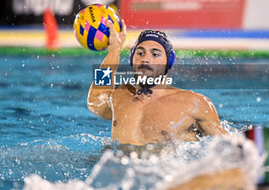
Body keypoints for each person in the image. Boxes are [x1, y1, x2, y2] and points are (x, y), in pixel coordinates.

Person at [87, 20, 227, 146]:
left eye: (155, 54)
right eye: (140, 53)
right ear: (131, 59)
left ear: (168, 62)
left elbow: (228, 147)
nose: (145, 60)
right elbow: (95, 100)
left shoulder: (194, 103)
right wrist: (115, 49)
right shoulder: (120, 96)